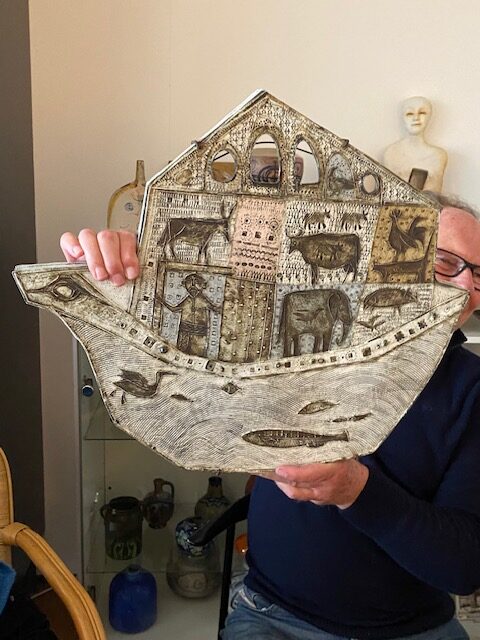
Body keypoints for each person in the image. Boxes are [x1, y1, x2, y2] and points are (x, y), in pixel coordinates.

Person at [60, 196, 480, 640]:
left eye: (479, 275)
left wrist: (356, 490)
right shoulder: (288, 336)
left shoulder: (471, 391)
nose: (467, 288)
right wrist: (122, 270)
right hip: (271, 614)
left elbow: (464, 567)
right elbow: (180, 348)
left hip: (412, 630)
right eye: (445, 262)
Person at [384, 96, 448, 192]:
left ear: (429, 116)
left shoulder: (438, 155)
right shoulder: (391, 153)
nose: (416, 118)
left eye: (422, 113)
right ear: (402, 117)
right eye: (410, 114)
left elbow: (435, 194)